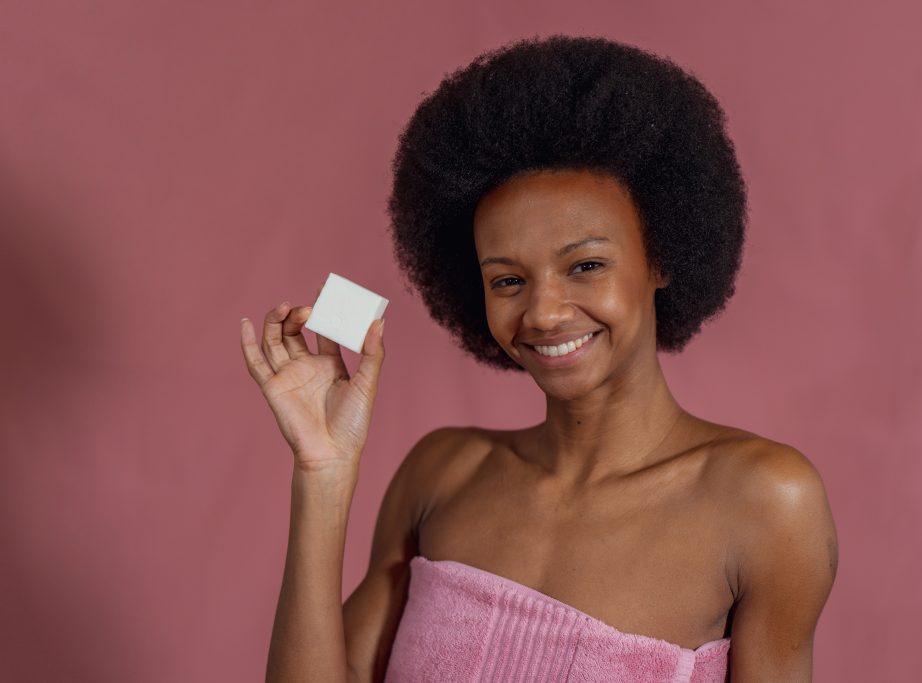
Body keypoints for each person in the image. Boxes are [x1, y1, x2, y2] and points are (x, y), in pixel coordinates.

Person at [242, 35, 838, 683]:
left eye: (585, 265)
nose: (544, 312)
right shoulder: (443, 473)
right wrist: (321, 472)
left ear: (660, 258)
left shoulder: (767, 501)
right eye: (507, 280)